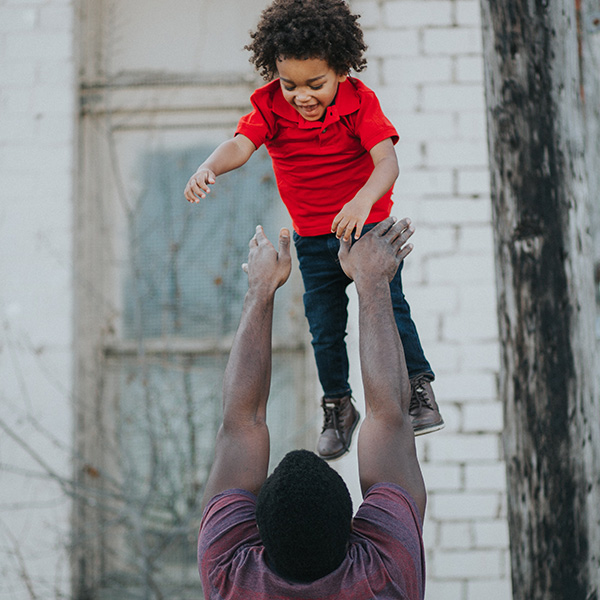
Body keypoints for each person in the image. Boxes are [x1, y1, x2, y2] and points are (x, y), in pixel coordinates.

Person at [184, 0, 443, 459]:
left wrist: (362, 201)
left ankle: (418, 388)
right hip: (312, 239)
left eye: (315, 84)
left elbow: (387, 162)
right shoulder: (268, 107)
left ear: (341, 70)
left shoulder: (360, 104)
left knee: (391, 308)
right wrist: (209, 166)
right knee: (324, 327)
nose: (302, 95)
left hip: (366, 230)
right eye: (290, 85)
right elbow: (241, 146)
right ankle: (338, 407)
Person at [198, 217, 426, 599]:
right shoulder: (385, 570)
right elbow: (388, 420)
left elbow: (242, 425)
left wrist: (260, 291)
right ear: (355, 527)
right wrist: (371, 282)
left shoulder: (230, 574)